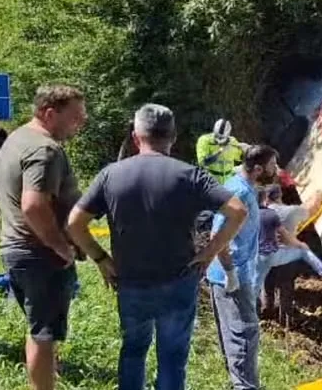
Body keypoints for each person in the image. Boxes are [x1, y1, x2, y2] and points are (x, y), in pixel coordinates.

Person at [65, 104, 247, 390]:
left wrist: (100, 258)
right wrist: (209, 252)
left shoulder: (111, 175)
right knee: (173, 358)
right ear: (172, 138)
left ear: (136, 137)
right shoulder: (190, 175)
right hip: (178, 279)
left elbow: (75, 223)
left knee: (133, 351)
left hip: (130, 280)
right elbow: (238, 211)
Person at [0, 85, 87, 390]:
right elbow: (33, 205)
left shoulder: (17, 138)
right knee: (43, 334)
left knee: (39, 327)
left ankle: (48, 375)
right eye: (75, 117)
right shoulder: (44, 149)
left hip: (18, 249)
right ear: (50, 114)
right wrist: (60, 246)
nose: (81, 122)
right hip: (38, 254)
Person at [205, 145, 280, 390]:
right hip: (232, 276)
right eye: (272, 166)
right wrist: (230, 273)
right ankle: (246, 387)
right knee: (245, 334)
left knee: (233, 334)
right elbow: (217, 234)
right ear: (258, 169)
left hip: (232, 273)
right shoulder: (241, 193)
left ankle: (240, 383)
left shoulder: (240, 183)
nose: (275, 170)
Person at [254, 184, 322, 296]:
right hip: (275, 255)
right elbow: (309, 210)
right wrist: (319, 196)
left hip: (257, 256)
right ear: (280, 196)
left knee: (257, 282)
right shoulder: (288, 211)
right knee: (302, 250)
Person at [196, 118, 245, 184]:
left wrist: (246, 150)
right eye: (216, 136)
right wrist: (219, 152)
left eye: (221, 138)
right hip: (211, 180)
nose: (218, 139)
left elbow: (240, 158)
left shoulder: (233, 141)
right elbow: (203, 162)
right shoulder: (204, 140)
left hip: (229, 180)